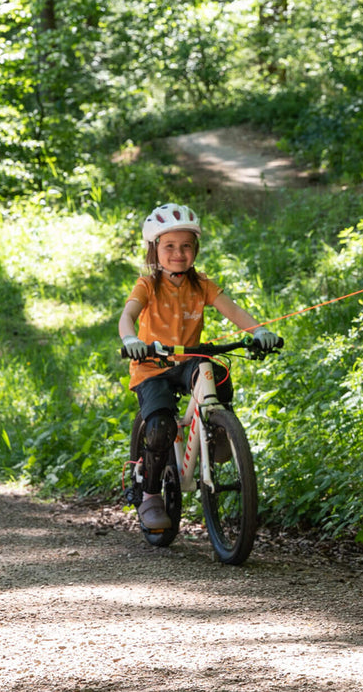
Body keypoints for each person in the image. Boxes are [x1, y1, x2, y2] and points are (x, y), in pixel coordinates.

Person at [118, 202, 280, 531]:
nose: (179, 253)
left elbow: (233, 312)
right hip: (152, 368)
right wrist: (130, 339)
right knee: (161, 427)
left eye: (186, 246)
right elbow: (128, 315)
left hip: (188, 360)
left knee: (216, 373)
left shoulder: (201, 284)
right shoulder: (147, 285)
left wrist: (259, 332)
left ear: (196, 249)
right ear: (154, 250)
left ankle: (218, 427)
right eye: (170, 247)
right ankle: (150, 495)